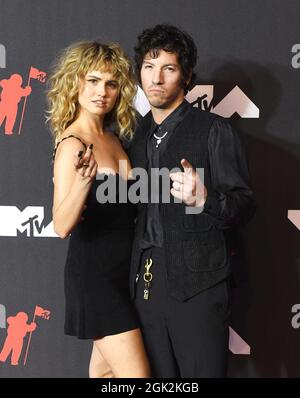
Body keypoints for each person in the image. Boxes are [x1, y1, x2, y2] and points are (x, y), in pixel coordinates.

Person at [127, 24, 255, 378]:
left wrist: (205, 198)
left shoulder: (214, 130)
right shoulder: (135, 135)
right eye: (149, 67)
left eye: (168, 68)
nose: (157, 78)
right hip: (145, 285)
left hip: (198, 285)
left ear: (185, 76)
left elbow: (244, 204)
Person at [47, 41, 150, 378]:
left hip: (124, 274)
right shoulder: (72, 144)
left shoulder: (113, 138)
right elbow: (61, 225)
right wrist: (82, 183)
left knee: (105, 377)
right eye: (92, 81)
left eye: (110, 83)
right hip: (95, 277)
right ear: (74, 83)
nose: (101, 92)